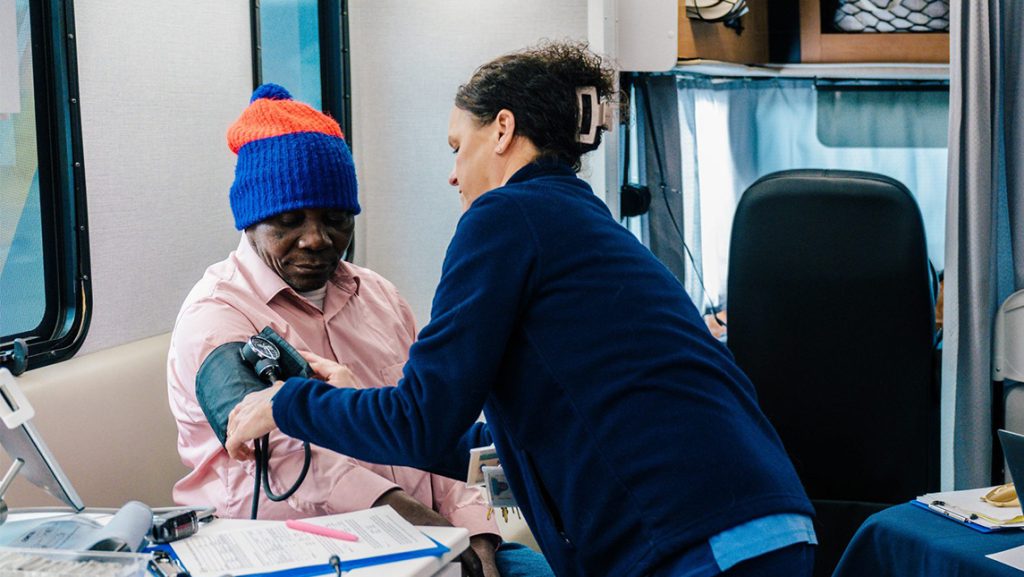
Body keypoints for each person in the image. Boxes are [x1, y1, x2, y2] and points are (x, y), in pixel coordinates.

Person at [225, 43, 816, 577]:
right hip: (759, 517)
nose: (452, 174)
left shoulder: (503, 218)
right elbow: (499, 431)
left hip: (693, 537)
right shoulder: (578, 220)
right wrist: (352, 399)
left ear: (502, 129)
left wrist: (288, 401)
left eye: (459, 146)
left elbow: (421, 420)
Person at [168, 83, 554, 577]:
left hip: (437, 539)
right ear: (250, 222)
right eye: (288, 221)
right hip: (303, 554)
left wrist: (475, 532)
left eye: (335, 220)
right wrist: (436, 536)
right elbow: (287, 463)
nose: (315, 239)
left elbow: (433, 424)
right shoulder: (216, 317)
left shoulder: (380, 297)